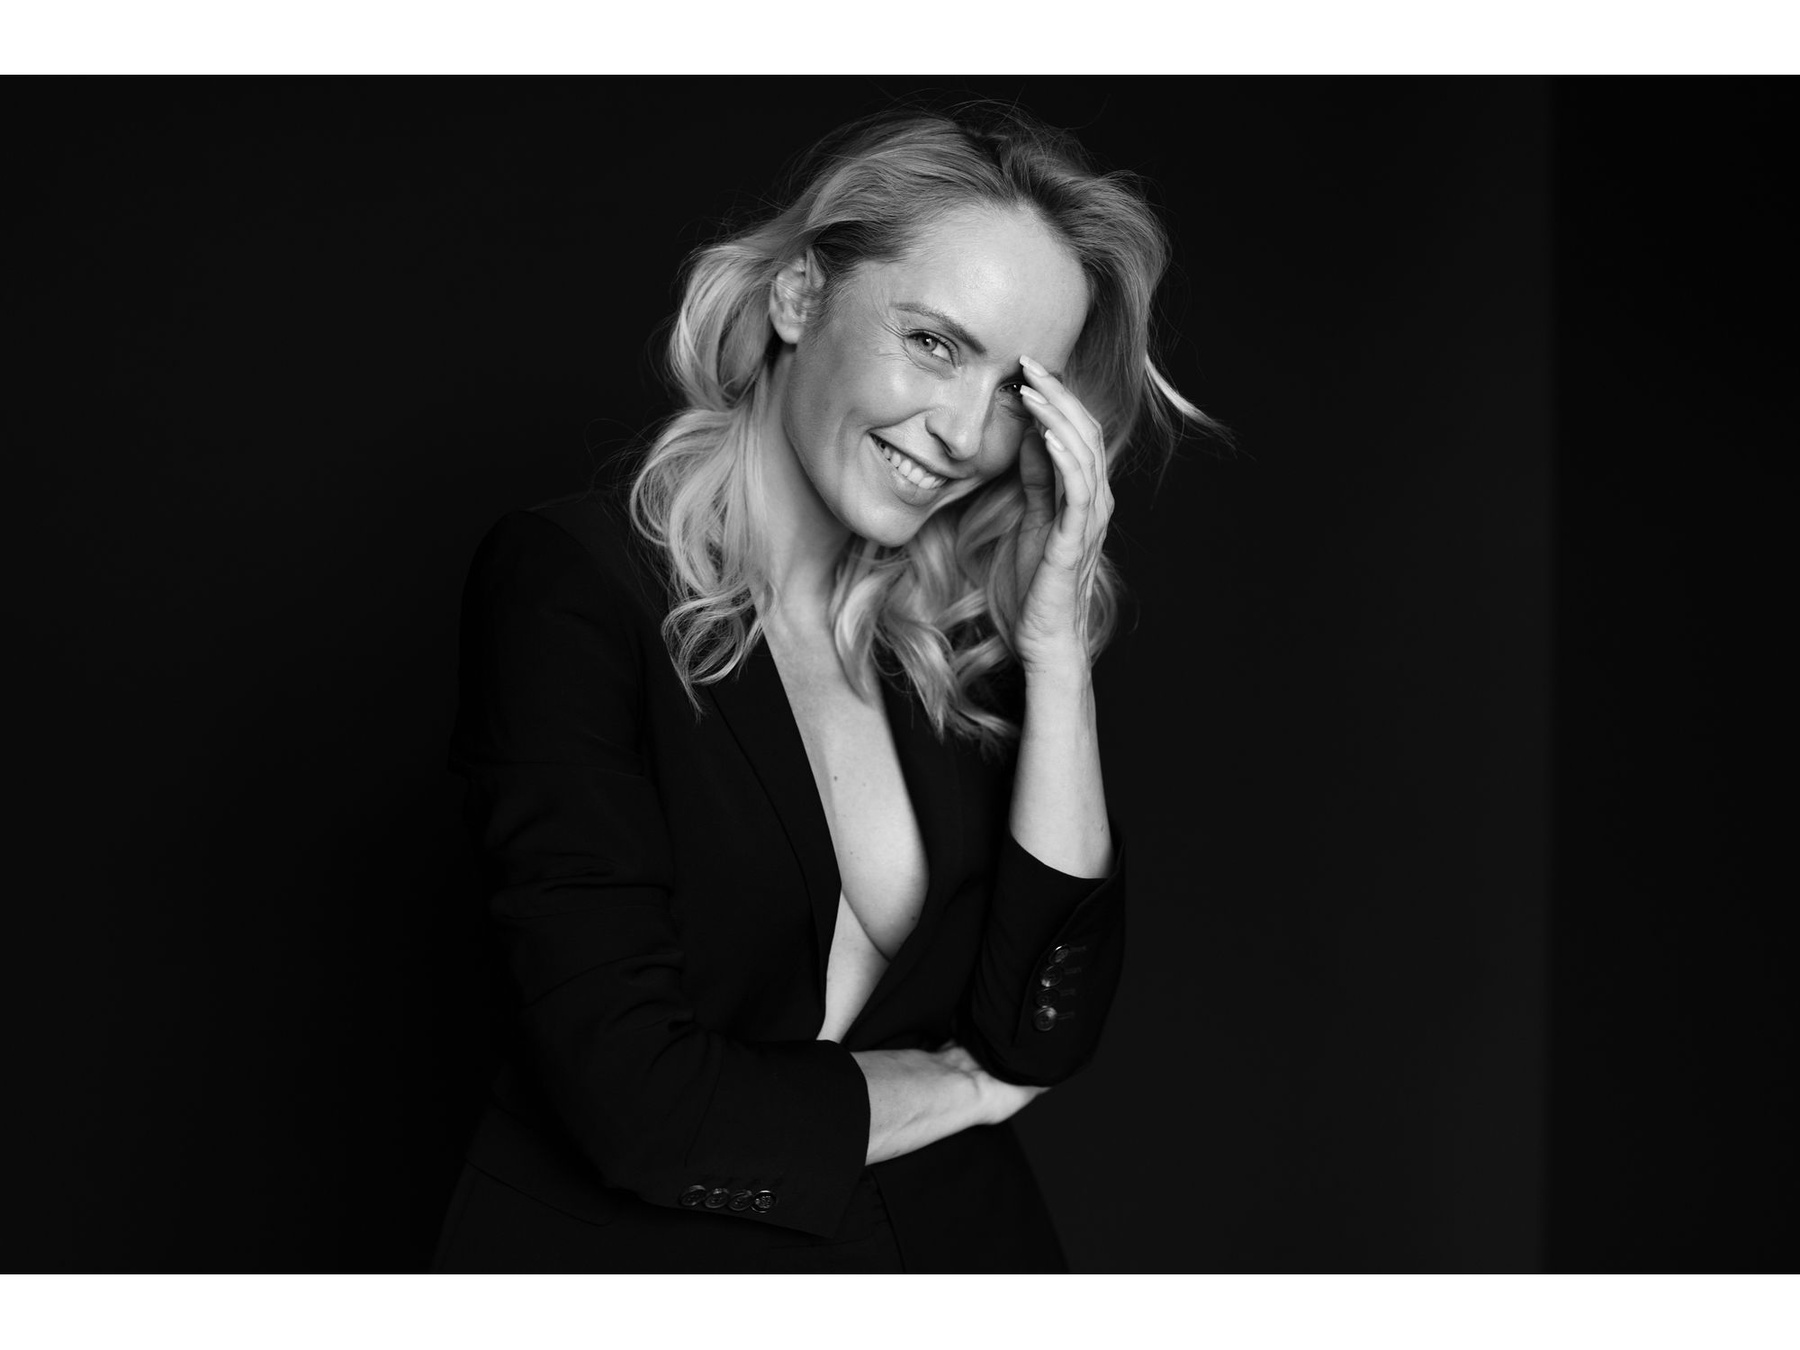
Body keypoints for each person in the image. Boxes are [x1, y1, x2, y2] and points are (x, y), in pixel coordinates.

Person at [429, 100, 1217, 1273]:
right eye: (934, 343)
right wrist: (958, 1089)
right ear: (800, 297)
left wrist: (1054, 648)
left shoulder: (940, 647)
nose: (966, 433)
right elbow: (638, 1103)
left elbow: (1039, 1032)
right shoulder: (574, 590)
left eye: (1017, 390)